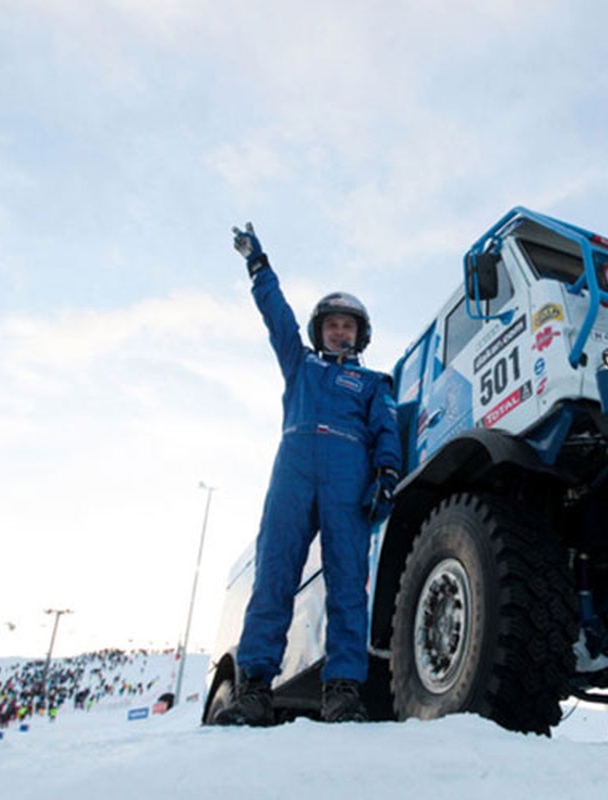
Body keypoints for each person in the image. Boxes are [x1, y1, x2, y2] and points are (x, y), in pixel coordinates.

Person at [215, 222, 402, 726]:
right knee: (274, 576)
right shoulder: (300, 367)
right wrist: (259, 267)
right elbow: (277, 317)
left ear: (360, 335)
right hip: (293, 472)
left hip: (347, 476)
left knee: (347, 585)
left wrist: (386, 472)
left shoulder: (371, 382)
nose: (339, 332)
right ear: (319, 331)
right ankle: (253, 690)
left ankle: (342, 693)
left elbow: (387, 430)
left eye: (348, 326)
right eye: (331, 325)